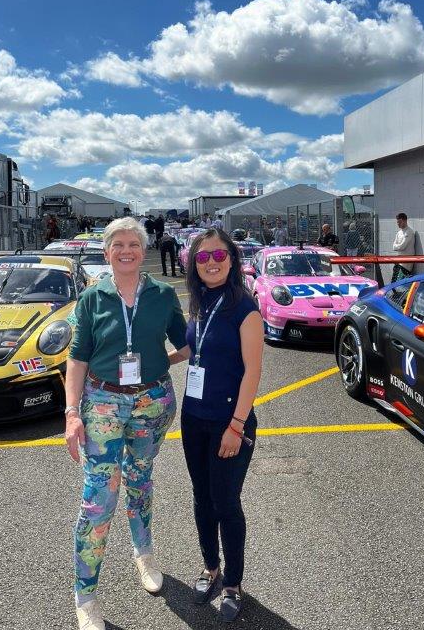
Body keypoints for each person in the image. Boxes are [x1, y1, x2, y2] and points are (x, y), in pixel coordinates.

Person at [65, 217, 187, 630]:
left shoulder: (162, 295)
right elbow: (77, 358)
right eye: (117, 244)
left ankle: (144, 554)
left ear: (143, 249)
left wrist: (162, 362)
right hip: (102, 402)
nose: (126, 251)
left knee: (140, 478)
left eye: (133, 243)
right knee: (99, 496)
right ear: (107, 252)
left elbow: (187, 342)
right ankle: (86, 595)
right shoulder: (92, 298)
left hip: (152, 401)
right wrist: (71, 413)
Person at [172, 228, 263, 622]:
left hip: (230, 422)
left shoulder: (245, 307)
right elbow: (196, 348)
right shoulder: (200, 302)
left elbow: (252, 371)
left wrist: (237, 426)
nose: (211, 263)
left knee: (226, 502)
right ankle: (210, 568)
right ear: (194, 263)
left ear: (232, 259)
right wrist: (163, 361)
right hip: (194, 419)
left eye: (218, 255)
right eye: (203, 257)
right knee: (202, 497)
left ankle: (233, 583)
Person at [392, 212, 416, 282]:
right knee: (394, 282)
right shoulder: (399, 233)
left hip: (406, 264)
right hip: (399, 261)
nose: (398, 224)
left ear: (405, 221)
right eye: (397, 222)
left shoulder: (409, 232)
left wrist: (398, 246)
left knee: (402, 283)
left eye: (400, 222)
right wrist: (398, 247)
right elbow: (393, 247)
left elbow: (402, 247)